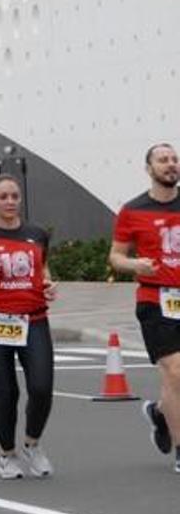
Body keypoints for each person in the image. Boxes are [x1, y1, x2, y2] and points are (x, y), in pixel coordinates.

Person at [0, 175, 57, 479]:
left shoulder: (36, 234)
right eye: (3, 197)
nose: (10, 202)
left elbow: (42, 268)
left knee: (41, 388)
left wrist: (48, 285)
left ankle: (32, 443)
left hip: (34, 319)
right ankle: (7, 454)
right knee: (7, 393)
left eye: (15, 196)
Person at [108, 142, 180, 474]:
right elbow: (115, 256)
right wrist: (136, 264)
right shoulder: (133, 210)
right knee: (176, 371)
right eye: (163, 160)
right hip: (156, 300)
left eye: (174, 159)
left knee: (175, 379)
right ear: (149, 168)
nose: (170, 164)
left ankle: (160, 414)